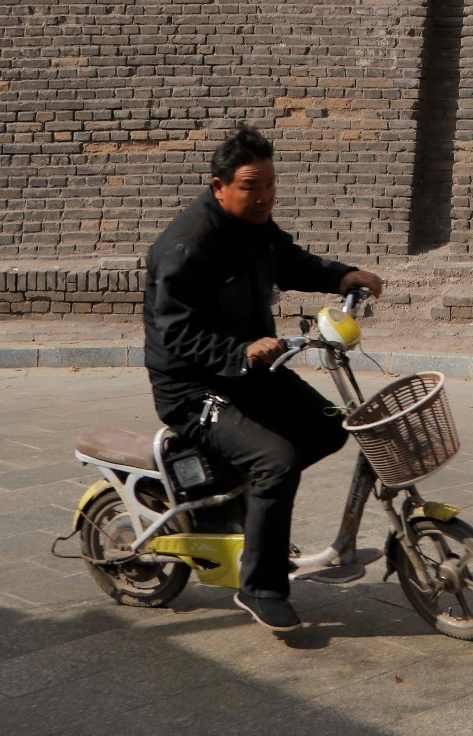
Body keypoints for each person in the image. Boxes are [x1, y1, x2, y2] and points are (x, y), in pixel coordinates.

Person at [142, 123, 383, 635]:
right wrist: (238, 349)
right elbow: (175, 332)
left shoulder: (255, 226)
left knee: (327, 427)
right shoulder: (187, 246)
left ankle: (249, 509)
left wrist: (341, 275)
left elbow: (288, 260)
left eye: (270, 184)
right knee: (276, 460)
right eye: (251, 186)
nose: (264, 196)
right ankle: (260, 588)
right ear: (218, 186)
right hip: (191, 387)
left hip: (249, 371)